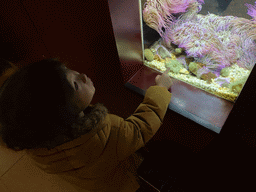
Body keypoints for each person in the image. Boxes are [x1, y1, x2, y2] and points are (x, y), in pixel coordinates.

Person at [0, 57, 172, 192]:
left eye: (67, 69)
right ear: (62, 114)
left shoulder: (35, 142)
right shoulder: (103, 135)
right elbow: (140, 129)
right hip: (124, 184)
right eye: (75, 84)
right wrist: (161, 90)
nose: (81, 75)